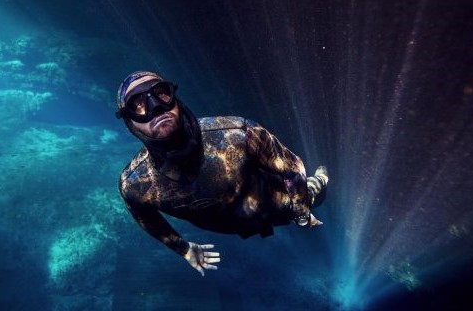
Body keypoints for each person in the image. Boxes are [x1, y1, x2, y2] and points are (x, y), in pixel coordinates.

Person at [116, 71, 329, 276]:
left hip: (280, 206)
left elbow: (292, 167)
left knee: (313, 197)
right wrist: (183, 248)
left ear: (174, 97)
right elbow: (145, 217)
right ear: (129, 122)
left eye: (161, 93)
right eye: (138, 104)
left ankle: (321, 179)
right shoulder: (135, 184)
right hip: (234, 227)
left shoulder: (239, 133)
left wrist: (300, 211)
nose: (156, 108)